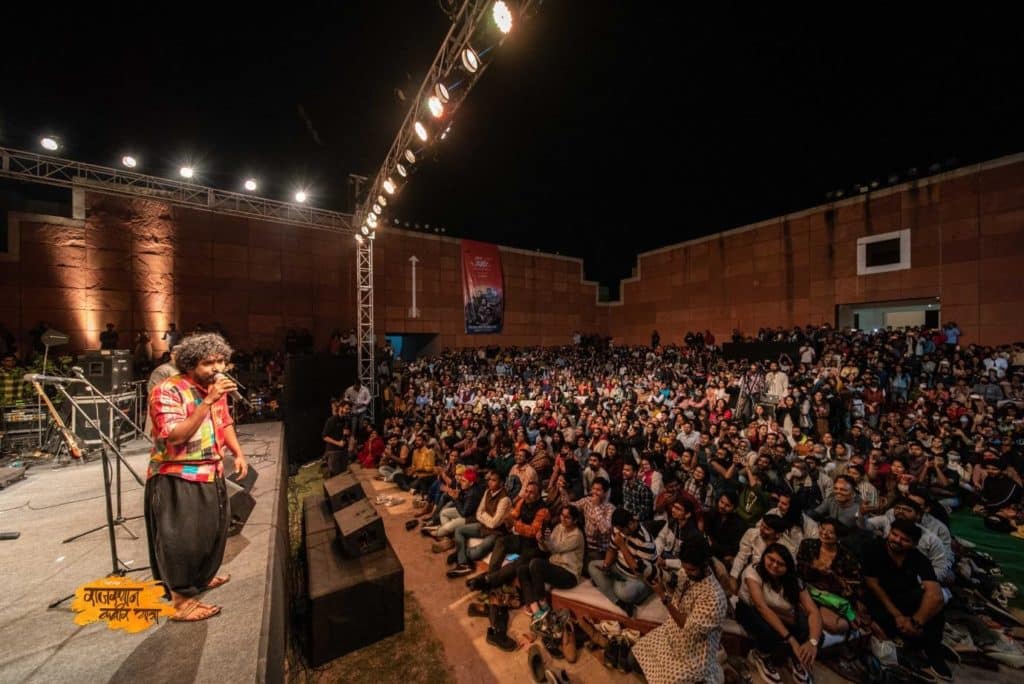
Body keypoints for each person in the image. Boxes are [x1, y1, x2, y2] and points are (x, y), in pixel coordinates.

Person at [145, 332, 249, 621]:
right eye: (208, 363)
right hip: (176, 475)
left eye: (220, 362)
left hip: (211, 470)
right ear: (191, 364)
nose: (216, 368)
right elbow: (174, 436)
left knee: (210, 533)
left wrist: (238, 453)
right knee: (182, 540)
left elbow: (224, 422)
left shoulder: (215, 389)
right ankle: (180, 601)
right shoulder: (168, 390)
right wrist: (207, 401)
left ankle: (199, 580)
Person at [863, 519, 950, 682]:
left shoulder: (918, 558)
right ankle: (908, 643)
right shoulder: (873, 548)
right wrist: (898, 616)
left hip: (904, 603)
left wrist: (916, 621)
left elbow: (935, 593)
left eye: (904, 539)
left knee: (935, 607)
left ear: (914, 544)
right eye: (894, 535)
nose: (897, 540)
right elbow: (873, 586)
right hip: (879, 601)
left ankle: (934, 653)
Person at [631, 542, 729, 684]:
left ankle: (712, 672)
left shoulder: (714, 597)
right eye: (684, 567)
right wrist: (663, 580)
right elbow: (677, 593)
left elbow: (685, 625)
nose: (687, 572)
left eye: (692, 569)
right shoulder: (685, 572)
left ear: (705, 564)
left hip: (694, 652)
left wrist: (663, 598)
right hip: (671, 632)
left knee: (666, 680)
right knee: (633, 659)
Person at [735, 543, 822, 684]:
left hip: (781, 611)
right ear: (764, 557)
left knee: (812, 630)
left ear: (788, 567)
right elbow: (761, 607)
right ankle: (760, 654)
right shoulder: (753, 571)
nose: (774, 565)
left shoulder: (794, 580)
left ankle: (799, 656)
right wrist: (791, 639)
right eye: (771, 559)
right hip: (751, 608)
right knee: (769, 631)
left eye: (780, 564)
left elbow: (813, 611)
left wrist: (813, 643)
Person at [518, 505, 584, 623]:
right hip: (555, 568)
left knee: (536, 563)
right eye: (562, 516)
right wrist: (540, 540)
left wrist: (544, 541)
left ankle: (544, 604)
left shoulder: (577, 535)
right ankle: (536, 610)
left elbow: (555, 548)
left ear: (575, 520)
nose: (563, 519)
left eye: (567, 517)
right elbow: (546, 549)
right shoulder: (559, 527)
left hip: (568, 574)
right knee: (522, 570)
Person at [588, 507, 657, 617]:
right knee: (592, 566)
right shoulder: (618, 529)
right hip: (618, 567)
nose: (619, 532)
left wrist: (622, 546)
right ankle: (619, 602)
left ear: (631, 524)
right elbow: (611, 549)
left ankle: (613, 587)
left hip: (637, 578)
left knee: (625, 593)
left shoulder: (646, 541)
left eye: (622, 530)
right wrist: (606, 565)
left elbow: (637, 571)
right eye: (617, 529)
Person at [447, 470, 511, 577]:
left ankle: (461, 553)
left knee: (475, 554)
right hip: (483, 526)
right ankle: (463, 564)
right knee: (459, 530)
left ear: (501, 483)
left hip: (496, 533)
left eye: (494, 480)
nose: (490, 482)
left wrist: (483, 515)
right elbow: (478, 513)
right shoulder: (487, 492)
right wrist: (485, 516)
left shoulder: (505, 499)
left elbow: (494, 524)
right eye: (489, 479)